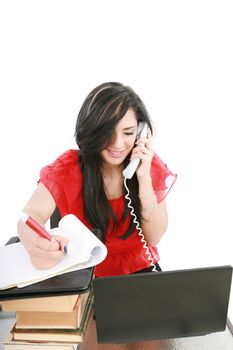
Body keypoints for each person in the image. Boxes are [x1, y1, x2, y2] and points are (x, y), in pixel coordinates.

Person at [17, 82, 176, 349]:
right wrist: (35, 245)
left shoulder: (145, 165)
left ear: (141, 133)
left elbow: (155, 236)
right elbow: (30, 215)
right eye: (107, 132)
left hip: (140, 276)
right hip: (89, 279)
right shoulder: (70, 167)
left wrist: (144, 179)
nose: (118, 144)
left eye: (127, 132)